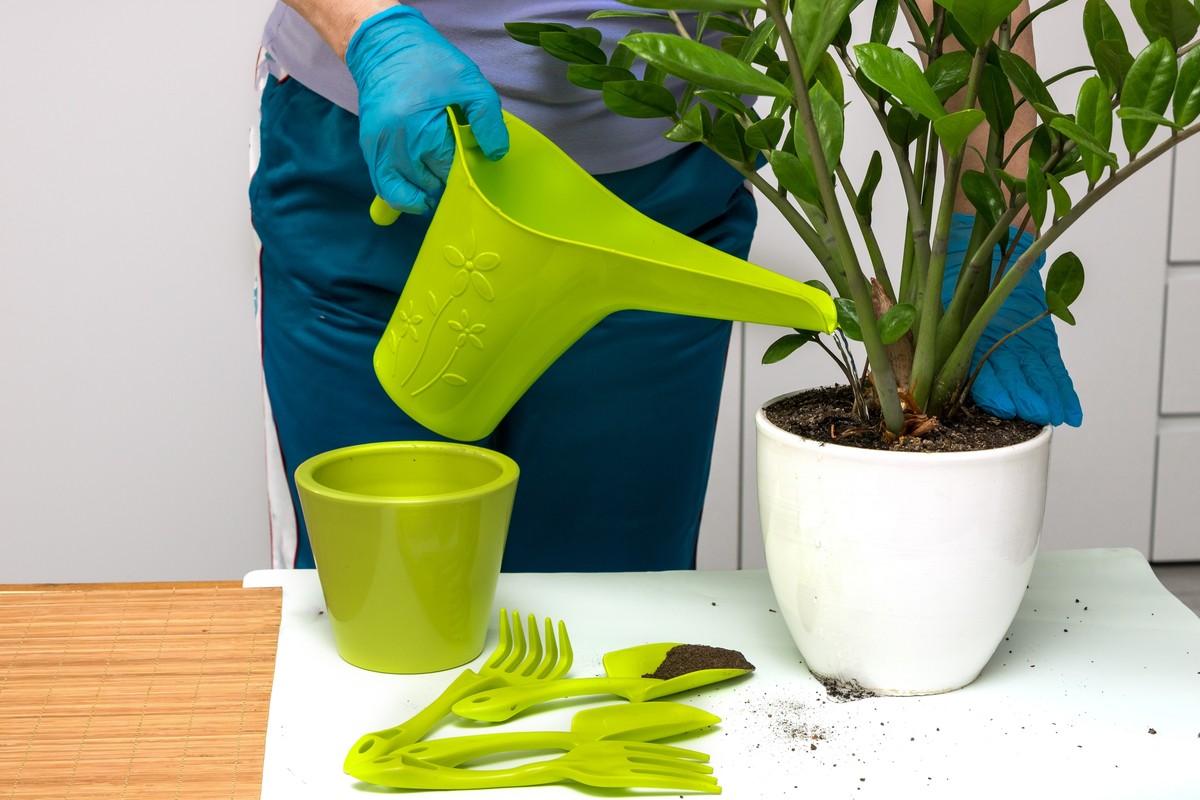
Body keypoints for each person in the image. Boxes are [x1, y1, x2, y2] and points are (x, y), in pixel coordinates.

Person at [250, 1, 1080, 572]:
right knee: (376, 600)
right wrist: (372, 31)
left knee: (611, 611)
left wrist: (993, 224)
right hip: (388, 165)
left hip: (653, 211)